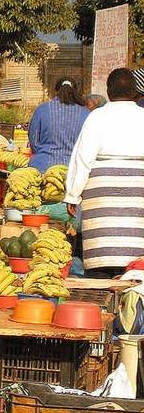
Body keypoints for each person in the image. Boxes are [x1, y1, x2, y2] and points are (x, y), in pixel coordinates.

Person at [65, 68, 144, 277]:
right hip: (139, 201)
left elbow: (82, 157)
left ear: (108, 92)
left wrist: (73, 194)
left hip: (100, 200)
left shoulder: (97, 117)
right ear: (135, 92)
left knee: (100, 272)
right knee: (137, 273)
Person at [28, 78, 89, 172]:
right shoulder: (85, 113)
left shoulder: (42, 110)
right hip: (73, 171)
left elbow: (34, 143)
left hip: (41, 168)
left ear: (56, 91)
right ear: (75, 92)